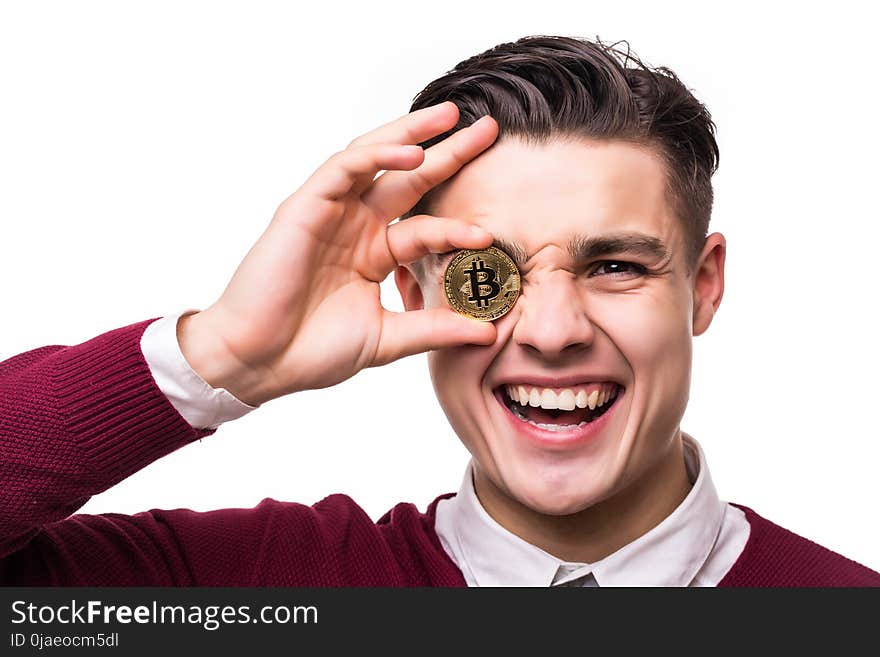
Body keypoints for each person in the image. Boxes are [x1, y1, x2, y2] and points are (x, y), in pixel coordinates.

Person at [1, 35, 877, 587]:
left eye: (613, 265)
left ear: (705, 285)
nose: (551, 329)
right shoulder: (250, 594)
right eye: (485, 271)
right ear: (415, 288)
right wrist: (222, 358)